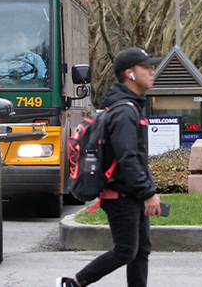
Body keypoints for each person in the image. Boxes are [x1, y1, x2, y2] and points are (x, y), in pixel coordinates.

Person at [57, 48, 164, 287]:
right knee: (126, 250)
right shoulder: (125, 111)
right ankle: (73, 283)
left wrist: (147, 190)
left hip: (129, 192)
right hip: (120, 194)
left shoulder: (130, 106)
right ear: (130, 74)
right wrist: (147, 193)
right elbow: (128, 158)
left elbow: (135, 157)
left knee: (140, 250)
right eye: (146, 68)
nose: (151, 72)